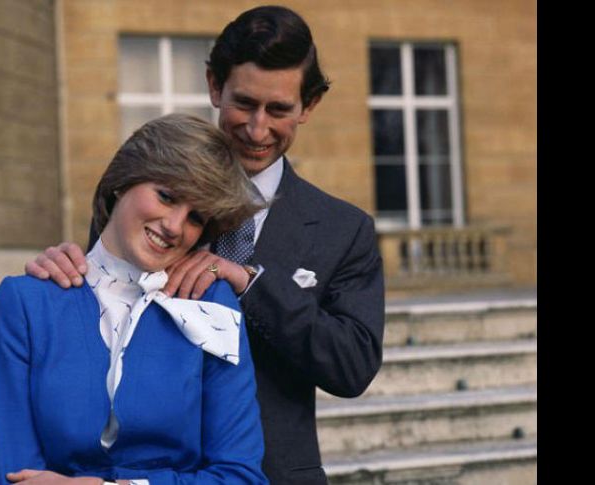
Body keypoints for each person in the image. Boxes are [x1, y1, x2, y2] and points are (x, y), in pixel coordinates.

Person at [25, 6, 385, 484]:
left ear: (308, 105)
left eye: (278, 110)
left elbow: (352, 367)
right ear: (215, 86)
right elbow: (96, 328)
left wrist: (251, 284)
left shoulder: (345, 229)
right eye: (244, 104)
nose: (257, 129)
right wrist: (63, 277)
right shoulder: (145, 199)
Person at [0, 114, 269, 485]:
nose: (174, 226)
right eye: (166, 196)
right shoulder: (25, 303)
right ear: (123, 182)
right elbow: (17, 475)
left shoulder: (211, 304)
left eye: (196, 218)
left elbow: (240, 477)